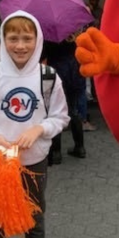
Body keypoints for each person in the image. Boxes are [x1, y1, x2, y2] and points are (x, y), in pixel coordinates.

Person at [0, 11, 69, 238]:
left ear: (38, 40)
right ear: (3, 40)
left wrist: (39, 129)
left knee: (34, 219)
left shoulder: (48, 77)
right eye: (13, 38)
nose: (20, 46)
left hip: (34, 161)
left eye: (27, 39)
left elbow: (60, 117)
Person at [44, 34, 88, 165]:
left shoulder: (49, 36)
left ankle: (56, 153)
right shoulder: (72, 33)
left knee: (55, 112)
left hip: (57, 73)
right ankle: (80, 147)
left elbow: (43, 55)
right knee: (73, 110)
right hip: (74, 72)